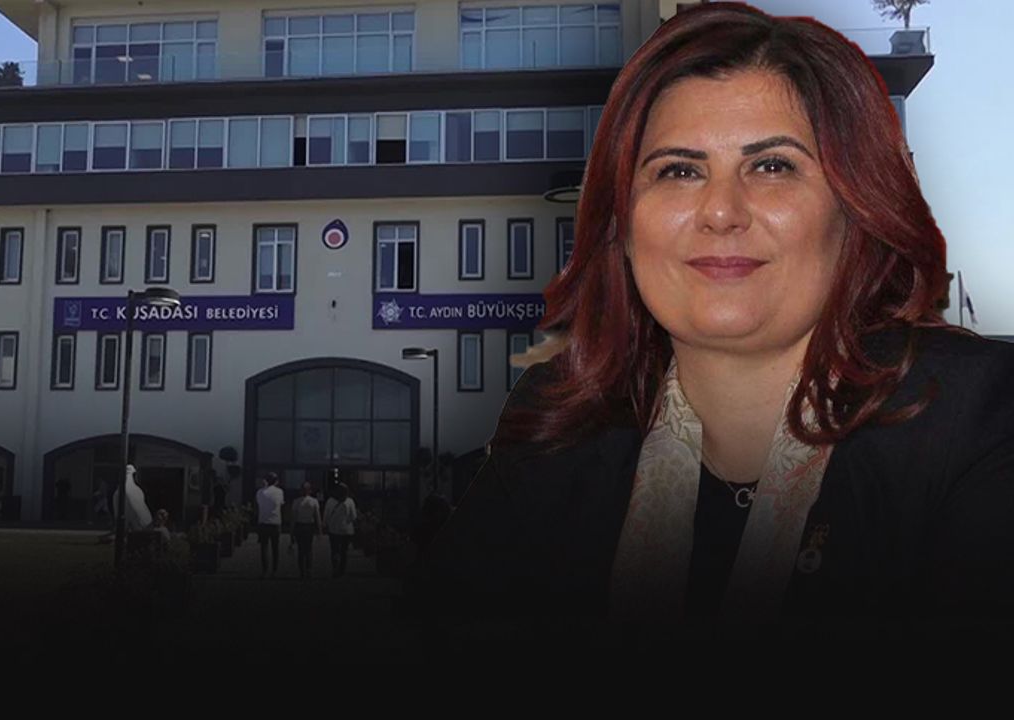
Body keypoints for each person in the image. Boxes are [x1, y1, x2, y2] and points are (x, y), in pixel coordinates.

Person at [414, 3, 1014, 662]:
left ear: (856, 213)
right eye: (679, 170)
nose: (721, 212)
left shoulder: (977, 420)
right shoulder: (558, 426)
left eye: (773, 166)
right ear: (622, 226)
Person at [323, 483, 358, 578]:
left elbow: (326, 515)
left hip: (334, 530)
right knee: (344, 551)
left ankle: (335, 568)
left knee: (335, 550)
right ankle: (342, 571)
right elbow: (353, 517)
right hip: (346, 530)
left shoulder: (330, 501)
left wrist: (325, 524)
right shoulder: (350, 501)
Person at [255, 472, 285, 578]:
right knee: (275, 548)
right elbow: (281, 504)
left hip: (263, 522)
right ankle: (274, 570)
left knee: (264, 547)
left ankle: (265, 570)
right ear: (276, 481)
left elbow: (258, 504)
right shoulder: (280, 492)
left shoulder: (260, 492)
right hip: (275, 522)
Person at [291, 481, 322, 580]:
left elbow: (293, 518)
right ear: (310, 491)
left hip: (300, 526)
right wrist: (319, 530)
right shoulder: (314, 501)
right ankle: (309, 570)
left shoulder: (296, 501)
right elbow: (317, 517)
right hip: (309, 526)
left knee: (301, 550)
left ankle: (302, 571)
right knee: (309, 549)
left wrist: (291, 531)